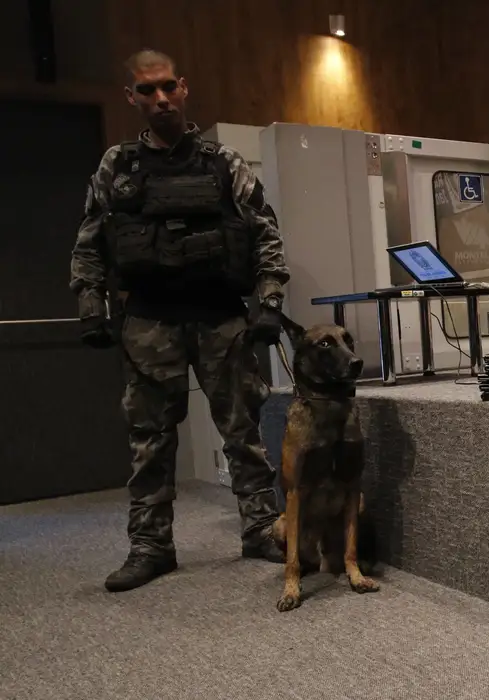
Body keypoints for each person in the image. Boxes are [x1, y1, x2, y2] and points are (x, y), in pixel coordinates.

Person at [69, 49, 289, 592]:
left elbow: (265, 233)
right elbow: (90, 239)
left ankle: (262, 528)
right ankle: (151, 546)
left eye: (168, 86)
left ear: (184, 87)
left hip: (220, 318)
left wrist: (269, 300)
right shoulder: (117, 165)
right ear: (131, 97)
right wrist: (90, 303)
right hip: (149, 320)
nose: (161, 98)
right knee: (150, 440)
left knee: (244, 431)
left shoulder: (224, 162)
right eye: (147, 90)